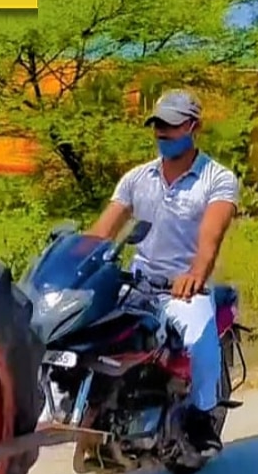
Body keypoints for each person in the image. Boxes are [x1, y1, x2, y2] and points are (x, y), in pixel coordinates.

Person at [86, 89, 240, 454]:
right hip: (136, 282)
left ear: (193, 127)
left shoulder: (217, 178)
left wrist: (195, 274)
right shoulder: (137, 178)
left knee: (200, 337)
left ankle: (203, 416)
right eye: (157, 125)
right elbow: (100, 231)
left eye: (171, 126)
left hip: (183, 287)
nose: (162, 133)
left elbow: (211, 236)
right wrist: (76, 259)